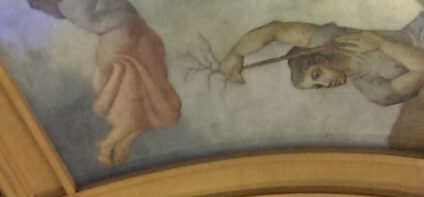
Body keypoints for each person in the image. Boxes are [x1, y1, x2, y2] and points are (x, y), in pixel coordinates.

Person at [218, 16, 424, 152]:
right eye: (318, 85)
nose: (326, 84)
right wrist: (380, 43)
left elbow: (276, 30)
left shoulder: (335, 40)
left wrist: (237, 52)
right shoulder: (374, 91)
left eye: (317, 74)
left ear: (319, 57)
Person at [25, 0, 181, 167]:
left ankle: (121, 145)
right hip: (124, 35)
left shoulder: (66, 8)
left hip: (119, 39)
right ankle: (109, 144)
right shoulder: (71, 4)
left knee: (144, 103)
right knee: (135, 101)